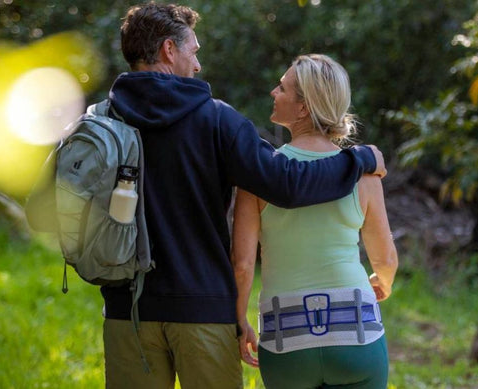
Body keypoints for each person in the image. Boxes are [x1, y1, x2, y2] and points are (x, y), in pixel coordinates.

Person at [100, 4, 388, 389]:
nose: (198, 65)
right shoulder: (217, 119)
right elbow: (286, 183)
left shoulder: (101, 119)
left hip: (126, 312)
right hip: (201, 311)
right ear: (170, 50)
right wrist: (361, 158)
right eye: (194, 50)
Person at [232, 54, 399, 389]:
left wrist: (239, 322)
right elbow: (385, 258)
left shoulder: (260, 177)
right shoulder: (364, 173)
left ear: (304, 107)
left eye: (281, 88)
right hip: (356, 334)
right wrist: (384, 281)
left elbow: (243, 265)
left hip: (285, 339)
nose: (272, 92)